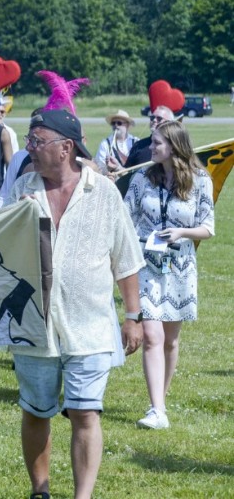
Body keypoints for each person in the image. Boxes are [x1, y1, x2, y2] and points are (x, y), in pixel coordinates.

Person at [7, 109, 144, 499]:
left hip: (90, 324)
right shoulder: (22, 190)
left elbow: (126, 257)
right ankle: (41, 490)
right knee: (36, 411)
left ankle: (83, 496)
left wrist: (133, 316)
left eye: (37, 141)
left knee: (85, 411)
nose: (29, 149)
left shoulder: (102, 192)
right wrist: (20, 216)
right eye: (29, 141)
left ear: (66, 147)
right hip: (34, 325)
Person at [123, 121, 214, 430]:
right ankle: (156, 409)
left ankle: (159, 404)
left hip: (180, 268)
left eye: (157, 143)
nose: (151, 148)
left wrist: (181, 232)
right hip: (145, 264)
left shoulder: (200, 180)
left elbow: (208, 228)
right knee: (152, 335)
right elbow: (125, 218)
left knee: (170, 342)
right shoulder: (141, 178)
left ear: (174, 146)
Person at [122, 105, 175, 169]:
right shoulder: (139, 145)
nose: (154, 120)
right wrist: (117, 168)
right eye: (152, 117)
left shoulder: (175, 145)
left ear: (170, 123)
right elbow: (127, 171)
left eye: (159, 118)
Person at [96, 110, 139, 175]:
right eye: (113, 123)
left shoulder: (136, 141)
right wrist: (107, 168)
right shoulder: (105, 144)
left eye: (119, 123)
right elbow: (99, 166)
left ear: (127, 125)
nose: (116, 125)